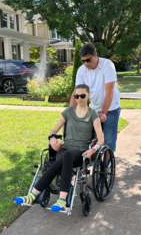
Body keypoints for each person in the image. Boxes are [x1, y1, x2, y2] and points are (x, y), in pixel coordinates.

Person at [14, 84, 104, 212]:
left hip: (81, 152)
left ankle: (39, 196)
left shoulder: (93, 114)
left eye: (82, 96)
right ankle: (44, 197)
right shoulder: (68, 112)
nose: (79, 99)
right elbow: (54, 130)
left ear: (88, 96)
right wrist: (52, 139)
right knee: (62, 156)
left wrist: (92, 150)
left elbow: (101, 139)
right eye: (76, 96)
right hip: (65, 149)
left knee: (64, 156)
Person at [70, 43, 121, 152]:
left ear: (95, 55)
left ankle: (105, 168)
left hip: (111, 109)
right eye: (83, 61)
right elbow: (77, 92)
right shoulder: (81, 70)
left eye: (88, 60)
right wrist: (70, 112)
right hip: (93, 110)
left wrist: (103, 112)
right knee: (90, 140)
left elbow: (109, 92)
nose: (86, 63)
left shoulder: (107, 65)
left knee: (109, 143)